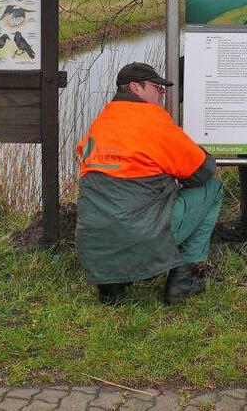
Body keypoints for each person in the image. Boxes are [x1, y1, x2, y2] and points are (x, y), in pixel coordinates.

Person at [75, 62, 223, 305]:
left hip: (94, 241)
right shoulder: (153, 120)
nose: (161, 94)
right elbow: (202, 172)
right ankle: (181, 279)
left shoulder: (101, 121)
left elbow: (90, 161)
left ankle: (112, 285)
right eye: (157, 88)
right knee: (212, 189)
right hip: (140, 236)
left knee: (113, 206)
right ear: (136, 87)